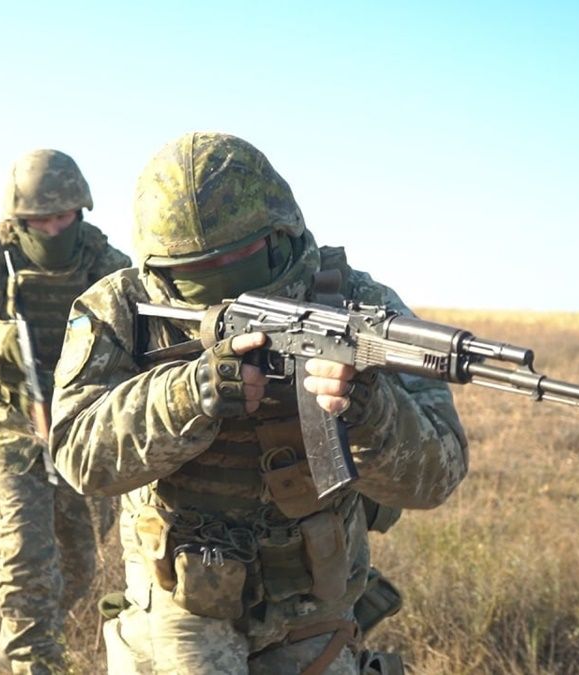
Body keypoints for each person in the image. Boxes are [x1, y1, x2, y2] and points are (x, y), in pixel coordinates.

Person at [49, 132, 468, 674]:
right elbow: (81, 458)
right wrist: (188, 394)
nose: (217, 284)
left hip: (314, 601)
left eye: (236, 261)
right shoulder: (120, 308)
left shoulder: (362, 307)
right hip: (179, 606)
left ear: (280, 236)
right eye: (192, 274)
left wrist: (369, 410)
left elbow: (435, 480)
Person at [0, 148, 131, 675]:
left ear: (81, 211)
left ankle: (28, 632)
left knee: (79, 563)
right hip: (6, 423)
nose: (54, 229)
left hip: (81, 426)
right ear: (19, 217)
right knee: (26, 554)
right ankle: (33, 660)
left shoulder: (108, 265)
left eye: (64, 217)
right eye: (41, 219)